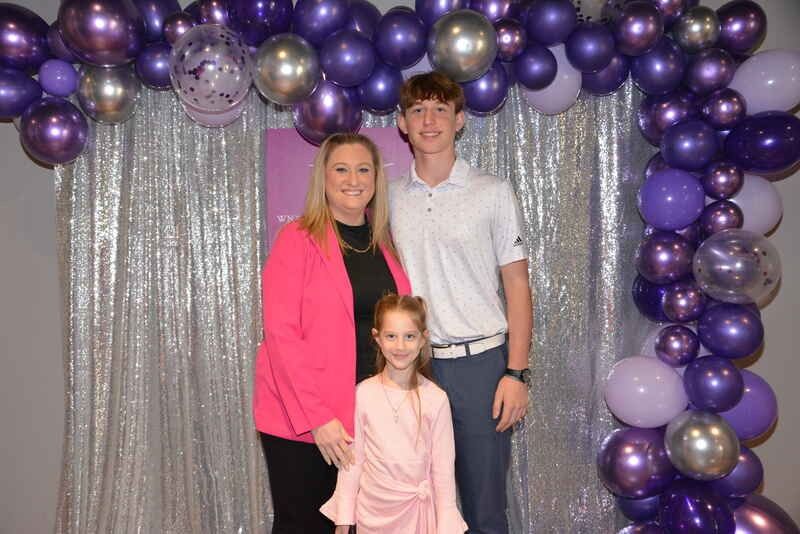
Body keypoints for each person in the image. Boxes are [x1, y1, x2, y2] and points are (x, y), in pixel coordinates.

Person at [389, 72, 534, 534]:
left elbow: (517, 286)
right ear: (401, 123)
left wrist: (515, 373)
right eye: (417, 110)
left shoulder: (492, 192)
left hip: (482, 367)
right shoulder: (387, 197)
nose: (428, 120)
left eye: (439, 110)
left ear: (459, 120)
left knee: (484, 507)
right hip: (413, 368)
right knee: (417, 503)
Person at [253, 133, 411, 533]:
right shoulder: (297, 240)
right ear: (323, 178)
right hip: (307, 423)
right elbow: (281, 335)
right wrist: (318, 418)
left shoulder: (385, 244)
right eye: (341, 169)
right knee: (305, 526)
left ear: (376, 179)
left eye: (363, 169)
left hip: (368, 416)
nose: (353, 179)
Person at [321, 294, 468, 534]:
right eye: (391, 336)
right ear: (377, 338)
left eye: (409, 336)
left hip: (418, 518)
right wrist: (343, 520)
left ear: (423, 339)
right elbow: (352, 462)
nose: (400, 346)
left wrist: (446, 526)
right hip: (373, 516)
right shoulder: (363, 394)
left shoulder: (436, 399)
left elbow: (443, 472)